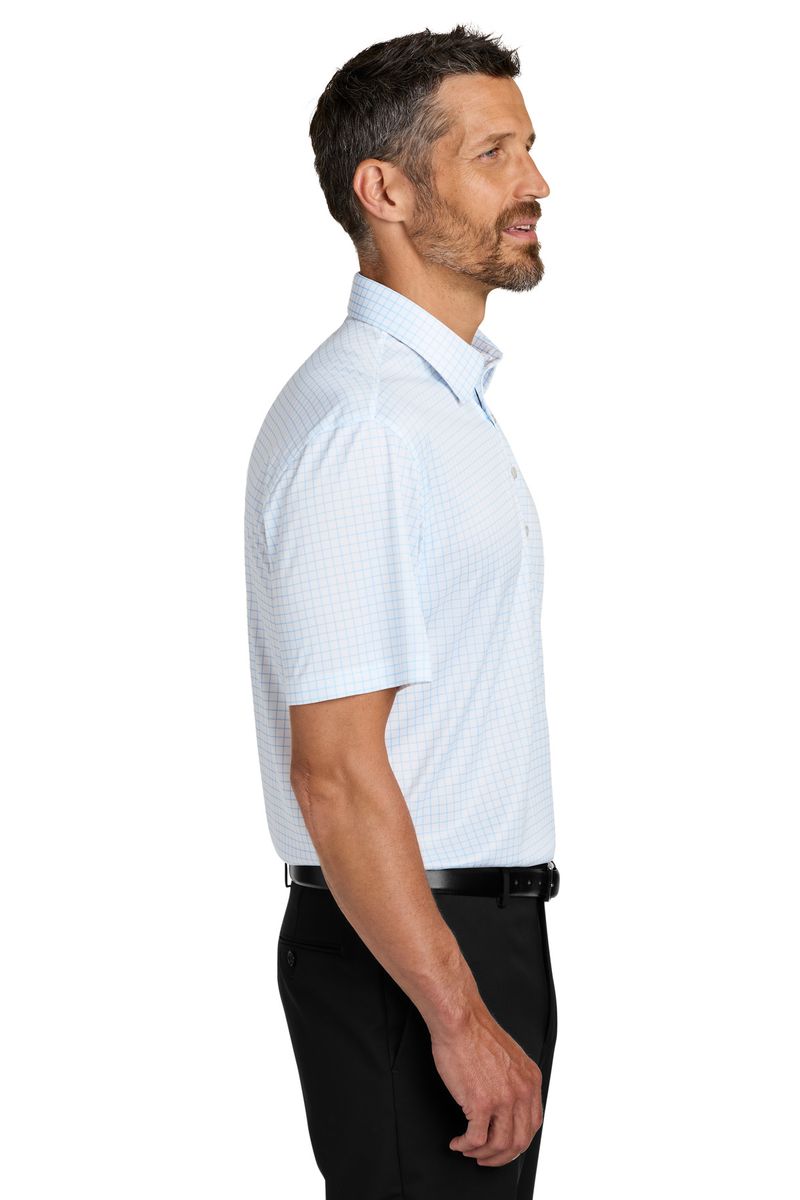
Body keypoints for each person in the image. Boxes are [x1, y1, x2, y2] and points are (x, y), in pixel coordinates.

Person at [244, 24, 559, 1200]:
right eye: (491, 154)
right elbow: (331, 771)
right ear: (383, 191)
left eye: (526, 147)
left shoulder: (433, 408)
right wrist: (455, 1013)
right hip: (412, 956)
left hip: (455, 942)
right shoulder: (367, 426)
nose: (534, 183)